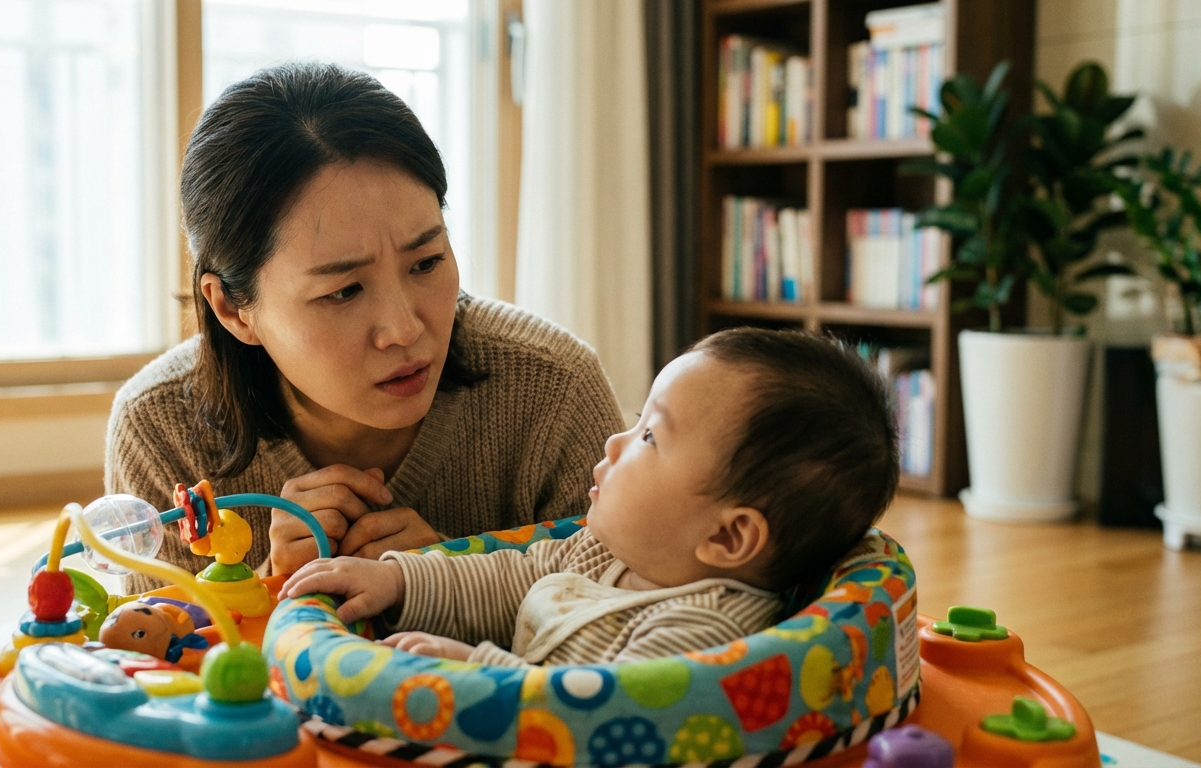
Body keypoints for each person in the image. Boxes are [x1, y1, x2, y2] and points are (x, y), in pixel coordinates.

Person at [106, 62, 624, 594]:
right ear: (234, 309)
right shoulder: (160, 428)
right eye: (343, 291)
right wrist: (261, 587)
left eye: (425, 261)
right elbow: (153, 656)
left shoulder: (552, 387)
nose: (403, 329)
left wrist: (451, 577)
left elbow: (638, 617)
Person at [280, 328, 900, 666]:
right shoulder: (604, 554)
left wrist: (473, 669)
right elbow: (510, 577)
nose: (615, 439)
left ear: (727, 537)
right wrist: (398, 583)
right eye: (637, 418)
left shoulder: (703, 630)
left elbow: (595, 709)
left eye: (651, 436)